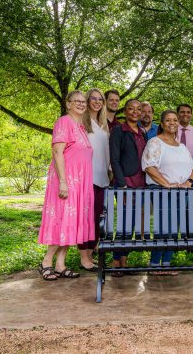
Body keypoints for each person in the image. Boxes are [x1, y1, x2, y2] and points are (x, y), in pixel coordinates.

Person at [38, 90, 94, 281]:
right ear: (68, 104)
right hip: (66, 181)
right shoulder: (64, 122)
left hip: (80, 184)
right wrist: (63, 181)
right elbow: (57, 151)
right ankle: (46, 262)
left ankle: (60, 265)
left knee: (70, 224)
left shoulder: (81, 126)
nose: (81, 104)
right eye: (76, 101)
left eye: (83, 102)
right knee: (62, 221)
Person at [141, 110, 193, 275]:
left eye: (175, 120)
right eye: (168, 120)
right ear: (162, 123)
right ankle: (154, 265)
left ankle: (166, 263)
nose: (172, 123)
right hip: (161, 190)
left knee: (175, 228)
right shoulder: (155, 142)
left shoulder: (181, 146)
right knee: (163, 227)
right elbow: (149, 167)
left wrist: (189, 182)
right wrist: (167, 184)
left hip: (180, 191)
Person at [109, 98, 147, 276]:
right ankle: (116, 262)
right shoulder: (118, 130)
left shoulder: (142, 132)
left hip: (141, 181)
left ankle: (124, 261)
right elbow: (114, 159)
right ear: (125, 111)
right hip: (125, 182)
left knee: (132, 223)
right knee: (125, 222)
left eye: (138, 109)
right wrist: (121, 183)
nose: (135, 112)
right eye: (131, 109)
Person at [76, 88, 111, 272]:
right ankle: (84, 256)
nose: (97, 102)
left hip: (103, 177)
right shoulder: (82, 122)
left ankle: (91, 253)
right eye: (94, 99)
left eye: (100, 99)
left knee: (98, 218)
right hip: (86, 178)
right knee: (86, 218)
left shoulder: (103, 124)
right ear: (88, 101)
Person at [176, 104, 193, 187]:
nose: (185, 114)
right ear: (177, 114)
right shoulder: (171, 130)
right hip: (173, 174)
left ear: (191, 115)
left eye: (188, 112)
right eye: (182, 112)